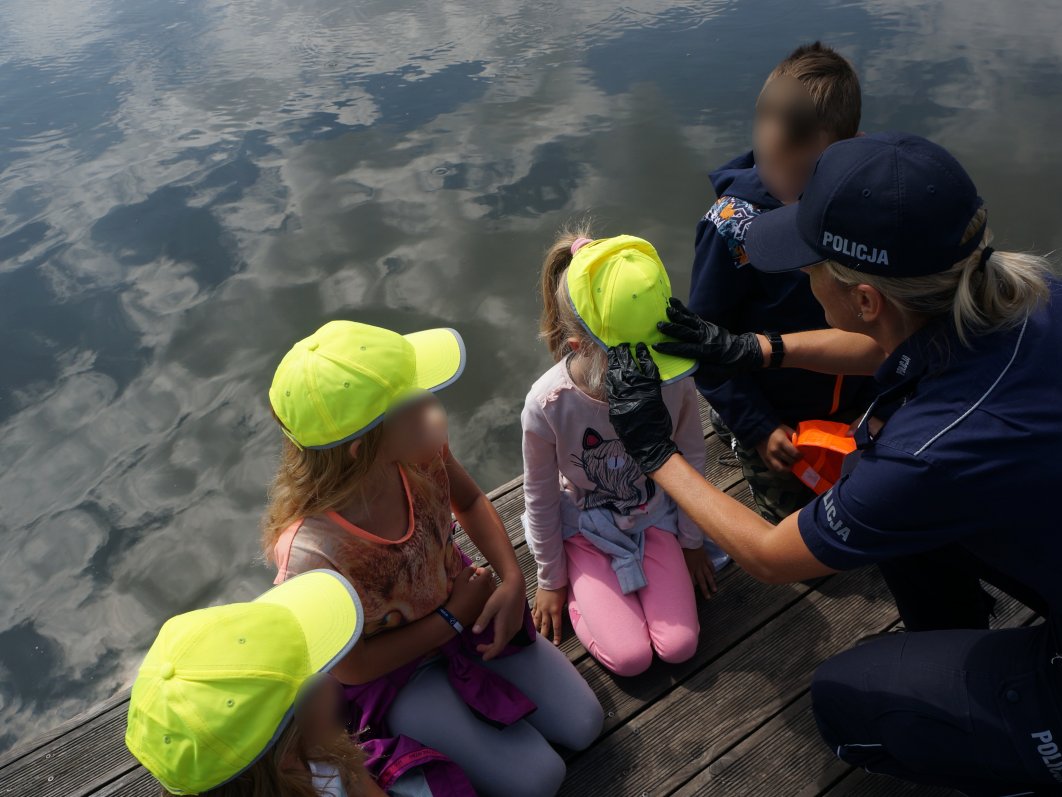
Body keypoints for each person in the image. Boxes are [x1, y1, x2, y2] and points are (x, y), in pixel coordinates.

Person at [601, 132, 1062, 795]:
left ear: (865, 299)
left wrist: (655, 451)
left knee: (844, 702)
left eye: (811, 265)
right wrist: (750, 348)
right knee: (887, 508)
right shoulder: (1028, 292)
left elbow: (771, 553)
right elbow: (884, 346)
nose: (802, 275)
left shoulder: (932, 449)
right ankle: (968, 664)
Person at [264, 321, 603, 797]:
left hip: (467, 614)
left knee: (585, 723)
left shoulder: (418, 450)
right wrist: (450, 618)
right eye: (414, 401)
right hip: (397, 675)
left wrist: (509, 581)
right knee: (539, 780)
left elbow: (469, 501)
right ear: (364, 444)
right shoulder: (308, 551)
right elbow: (352, 666)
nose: (432, 407)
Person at [688, 41, 878, 524]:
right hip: (775, 411)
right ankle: (732, 432)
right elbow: (708, 345)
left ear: (849, 147)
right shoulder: (731, 228)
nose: (789, 192)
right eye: (772, 169)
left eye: (805, 176)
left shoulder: (859, 198)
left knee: (866, 496)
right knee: (790, 514)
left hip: (853, 400)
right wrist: (756, 425)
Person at [523, 230, 712, 677]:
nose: (651, 373)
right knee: (630, 659)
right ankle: (584, 590)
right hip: (586, 528)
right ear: (578, 347)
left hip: (654, 514)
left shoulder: (673, 379)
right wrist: (551, 579)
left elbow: (692, 457)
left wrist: (692, 542)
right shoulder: (547, 404)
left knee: (681, 646)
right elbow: (540, 495)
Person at [125, 569, 389, 797]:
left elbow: (359, 783)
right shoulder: (318, 751)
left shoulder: (320, 750)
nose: (332, 682)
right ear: (287, 754)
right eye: (315, 680)